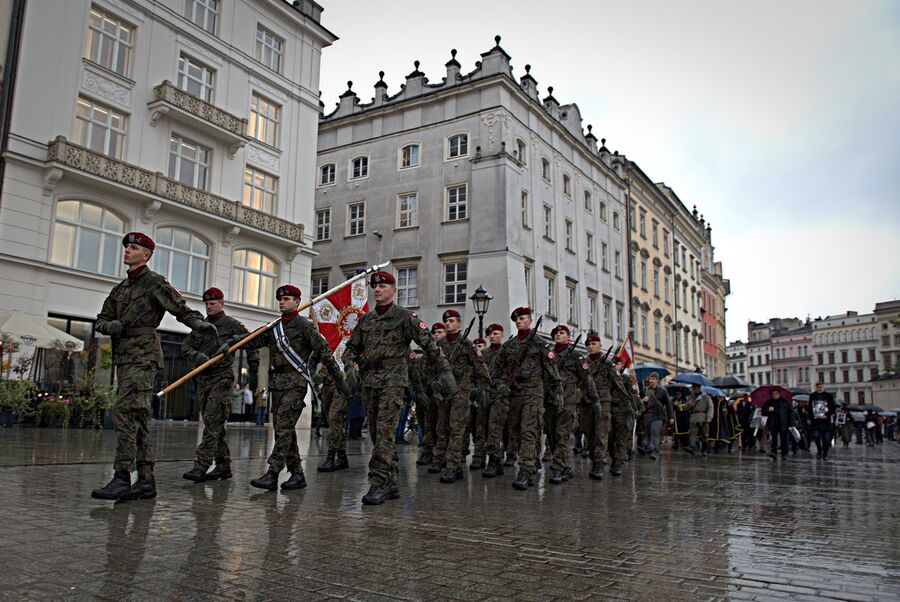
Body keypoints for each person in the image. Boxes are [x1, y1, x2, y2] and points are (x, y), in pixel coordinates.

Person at [91, 232, 216, 501]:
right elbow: (100, 320)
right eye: (126, 246)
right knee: (137, 418)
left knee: (123, 411)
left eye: (133, 247)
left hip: (144, 357)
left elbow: (180, 309)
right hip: (124, 358)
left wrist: (201, 325)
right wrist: (109, 325)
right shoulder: (120, 289)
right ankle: (146, 480)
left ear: (146, 255)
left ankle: (122, 476)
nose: (127, 250)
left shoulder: (155, 283)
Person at [343, 271, 456, 505]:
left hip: (394, 381)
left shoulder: (405, 317)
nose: (378, 290)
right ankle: (391, 481)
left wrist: (445, 371)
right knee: (375, 433)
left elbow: (429, 344)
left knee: (385, 432)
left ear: (394, 291)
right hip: (370, 382)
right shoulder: (366, 320)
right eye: (375, 286)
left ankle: (379, 482)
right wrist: (349, 366)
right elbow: (351, 348)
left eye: (383, 286)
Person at [234, 285, 349, 492]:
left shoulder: (304, 326)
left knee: (284, 429)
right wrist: (235, 342)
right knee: (283, 431)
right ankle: (297, 474)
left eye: (287, 299)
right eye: (280, 299)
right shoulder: (274, 328)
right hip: (277, 385)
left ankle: (272, 473)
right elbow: (254, 341)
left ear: (297, 302)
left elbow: (324, 352)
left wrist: (339, 380)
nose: (282, 302)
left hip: (295, 383)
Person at [181, 287, 259, 483]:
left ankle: (201, 465)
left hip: (221, 378)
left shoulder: (232, 325)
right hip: (202, 379)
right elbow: (185, 347)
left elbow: (251, 341)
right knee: (213, 424)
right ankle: (223, 467)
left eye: (213, 303)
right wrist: (196, 356)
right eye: (207, 304)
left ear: (221, 304)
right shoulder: (201, 326)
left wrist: (254, 372)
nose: (209, 307)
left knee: (213, 421)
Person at [489, 307, 562, 490]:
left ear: (530, 320)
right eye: (517, 320)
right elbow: (496, 369)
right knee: (515, 432)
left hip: (533, 394)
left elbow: (553, 374)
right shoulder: (509, 345)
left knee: (529, 431)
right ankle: (531, 461)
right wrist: (500, 385)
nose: (519, 322)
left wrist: (556, 394)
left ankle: (525, 470)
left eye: (522, 318)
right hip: (514, 395)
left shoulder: (540, 344)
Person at [431, 309, 491, 483]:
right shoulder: (439, 345)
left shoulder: (466, 344)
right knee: (442, 428)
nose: (448, 324)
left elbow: (480, 367)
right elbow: (429, 367)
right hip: (443, 392)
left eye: (451, 321)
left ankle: (452, 465)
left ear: (458, 323)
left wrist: (484, 388)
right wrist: (433, 382)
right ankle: (441, 460)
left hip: (460, 392)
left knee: (457, 429)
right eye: (446, 321)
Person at [547, 324, 600, 484]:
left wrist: (593, 399)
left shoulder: (576, 357)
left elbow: (587, 379)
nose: (558, 335)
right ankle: (565, 468)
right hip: (549, 400)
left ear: (568, 336)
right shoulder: (548, 355)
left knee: (561, 434)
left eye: (562, 333)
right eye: (556, 333)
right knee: (551, 436)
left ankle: (557, 468)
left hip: (568, 401)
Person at [481, 323, 511, 478]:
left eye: (496, 333)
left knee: (495, 429)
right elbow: (476, 372)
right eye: (491, 334)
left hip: (500, 397)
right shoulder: (483, 353)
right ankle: (497, 461)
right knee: (486, 429)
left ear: (502, 335)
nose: (493, 336)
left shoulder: (507, 352)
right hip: (485, 396)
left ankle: (493, 461)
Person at [583, 332, 613, 480]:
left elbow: (617, 383)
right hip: (587, 402)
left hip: (603, 401)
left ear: (600, 345)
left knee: (601, 433)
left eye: (593, 344)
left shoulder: (607, 363)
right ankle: (593, 459)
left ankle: (599, 463)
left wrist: (631, 402)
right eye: (588, 345)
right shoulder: (583, 363)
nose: (591, 347)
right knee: (589, 433)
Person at [415, 323, 445, 466]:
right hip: (427, 394)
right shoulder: (427, 353)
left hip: (443, 395)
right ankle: (427, 450)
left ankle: (441, 453)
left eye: (440, 332)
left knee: (442, 425)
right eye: (434, 332)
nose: (436, 335)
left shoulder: (448, 351)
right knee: (427, 423)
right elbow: (419, 372)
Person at [640, 372, 670, 460]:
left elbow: (668, 404)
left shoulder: (663, 391)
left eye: (653, 379)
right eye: (650, 379)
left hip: (658, 415)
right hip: (647, 415)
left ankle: (654, 452)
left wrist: (671, 417)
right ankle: (648, 448)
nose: (650, 381)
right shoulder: (644, 390)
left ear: (657, 380)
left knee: (654, 433)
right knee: (647, 434)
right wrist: (642, 400)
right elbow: (637, 401)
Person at [762, 389, 792, 461]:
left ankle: (784, 454)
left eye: (776, 393)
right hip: (773, 423)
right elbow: (763, 412)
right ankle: (774, 453)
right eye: (773, 394)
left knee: (783, 439)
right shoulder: (769, 402)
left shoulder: (784, 402)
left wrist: (791, 423)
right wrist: (768, 410)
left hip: (783, 423)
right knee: (774, 439)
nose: (775, 395)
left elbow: (790, 412)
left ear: (779, 394)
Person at [809, 382, 836, 460]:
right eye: (818, 387)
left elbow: (832, 408)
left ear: (823, 387)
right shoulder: (812, 396)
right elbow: (810, 408)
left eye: (821, 387)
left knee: (826, 439)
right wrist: (811, 417)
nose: (819, 389)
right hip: (816, 421)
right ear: (816, 387)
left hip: (826, 421)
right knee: (816, 436)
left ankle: (825, 454)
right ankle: (819, 450)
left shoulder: (828, 396)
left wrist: (826, 415)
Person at [687, 383, 713, 456]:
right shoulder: (691, 397)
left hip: (703, 417)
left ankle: (704, 450)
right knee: (692, 433)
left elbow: (710, 407)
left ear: (699, 388)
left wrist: (709, 416)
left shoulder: (706, 397)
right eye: (693, 388)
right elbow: (686, 408)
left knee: (705, 434)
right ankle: (692, 447)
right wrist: (689, 405)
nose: (693, 389)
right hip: (694, 417)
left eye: (695, 388)